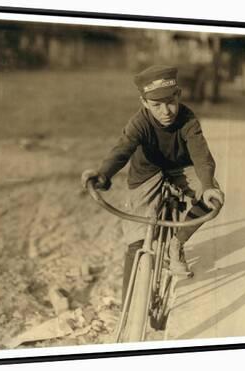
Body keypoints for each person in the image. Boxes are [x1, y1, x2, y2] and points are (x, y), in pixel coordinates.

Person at [81, 65, 224, 302]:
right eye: (156, 105)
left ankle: (176, 243)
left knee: (214, 197)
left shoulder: (188, 120)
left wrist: (207, 185)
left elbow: (201, 155)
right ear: (144, 102)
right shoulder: (139, 123)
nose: (165, 111)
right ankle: (128, 306)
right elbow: (122, 149)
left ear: (178, 95)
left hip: (181, 169)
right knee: (136, 240)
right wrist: (102, 175)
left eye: (170, 101)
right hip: (146, 174)